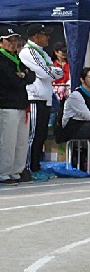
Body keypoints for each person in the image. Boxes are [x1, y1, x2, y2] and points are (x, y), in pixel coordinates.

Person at [18, 24, 62, 181]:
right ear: (36, 36)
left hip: (45, 97)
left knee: (42, 134)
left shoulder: (42, 53)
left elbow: (58, 71)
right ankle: (29, 167)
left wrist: (52, 71)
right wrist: (52, 71)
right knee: (33, 134)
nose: (48, 38)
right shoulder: (29, 52)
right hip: (34, 97)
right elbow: (47, 73)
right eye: (45, 35)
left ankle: (36, 165)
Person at [0, 26, 36, 187]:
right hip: (8, 105)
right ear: (1, 42)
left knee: (21, 140)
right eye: (9, 40)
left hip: (22, 104)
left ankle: (17, 169)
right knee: (8, 140)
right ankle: (4, 172)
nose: (13, 44)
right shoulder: (2, 59)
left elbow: (32, 76)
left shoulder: (16, 59)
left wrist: (24, 75)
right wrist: (23, 76)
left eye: (15, 40)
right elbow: (10, 80)